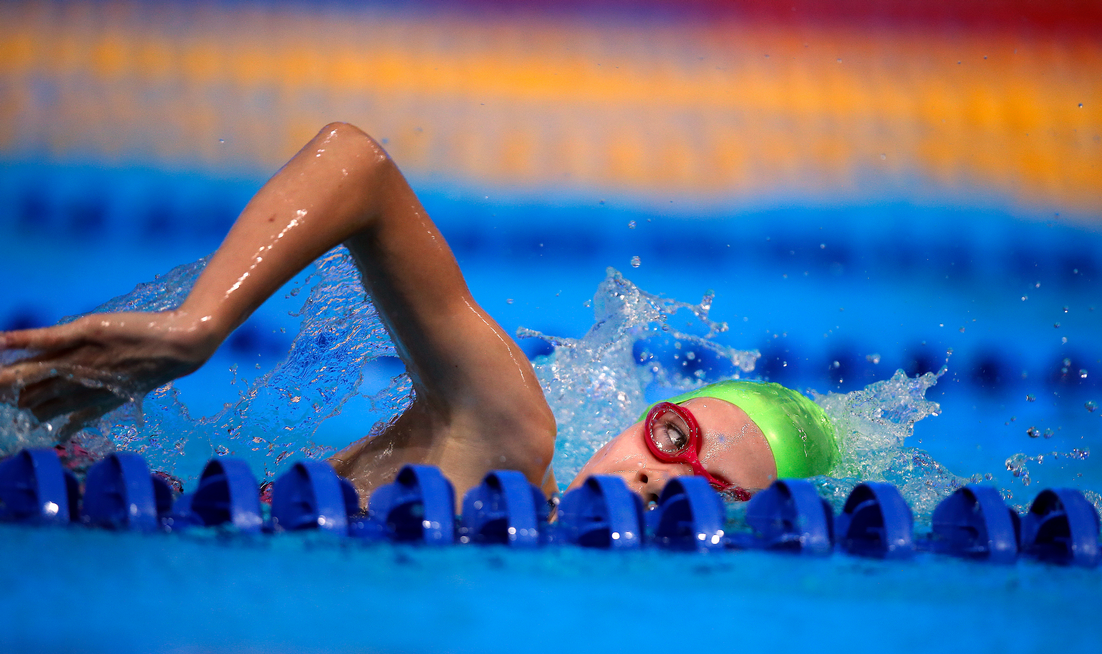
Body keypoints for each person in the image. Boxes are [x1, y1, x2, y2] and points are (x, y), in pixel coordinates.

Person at [0, 123, 837, 507]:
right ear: (636, 421)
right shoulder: (511, 443)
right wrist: (201, 327)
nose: (664, 477)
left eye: (716, 493)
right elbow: (356, 166)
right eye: (675, 440)